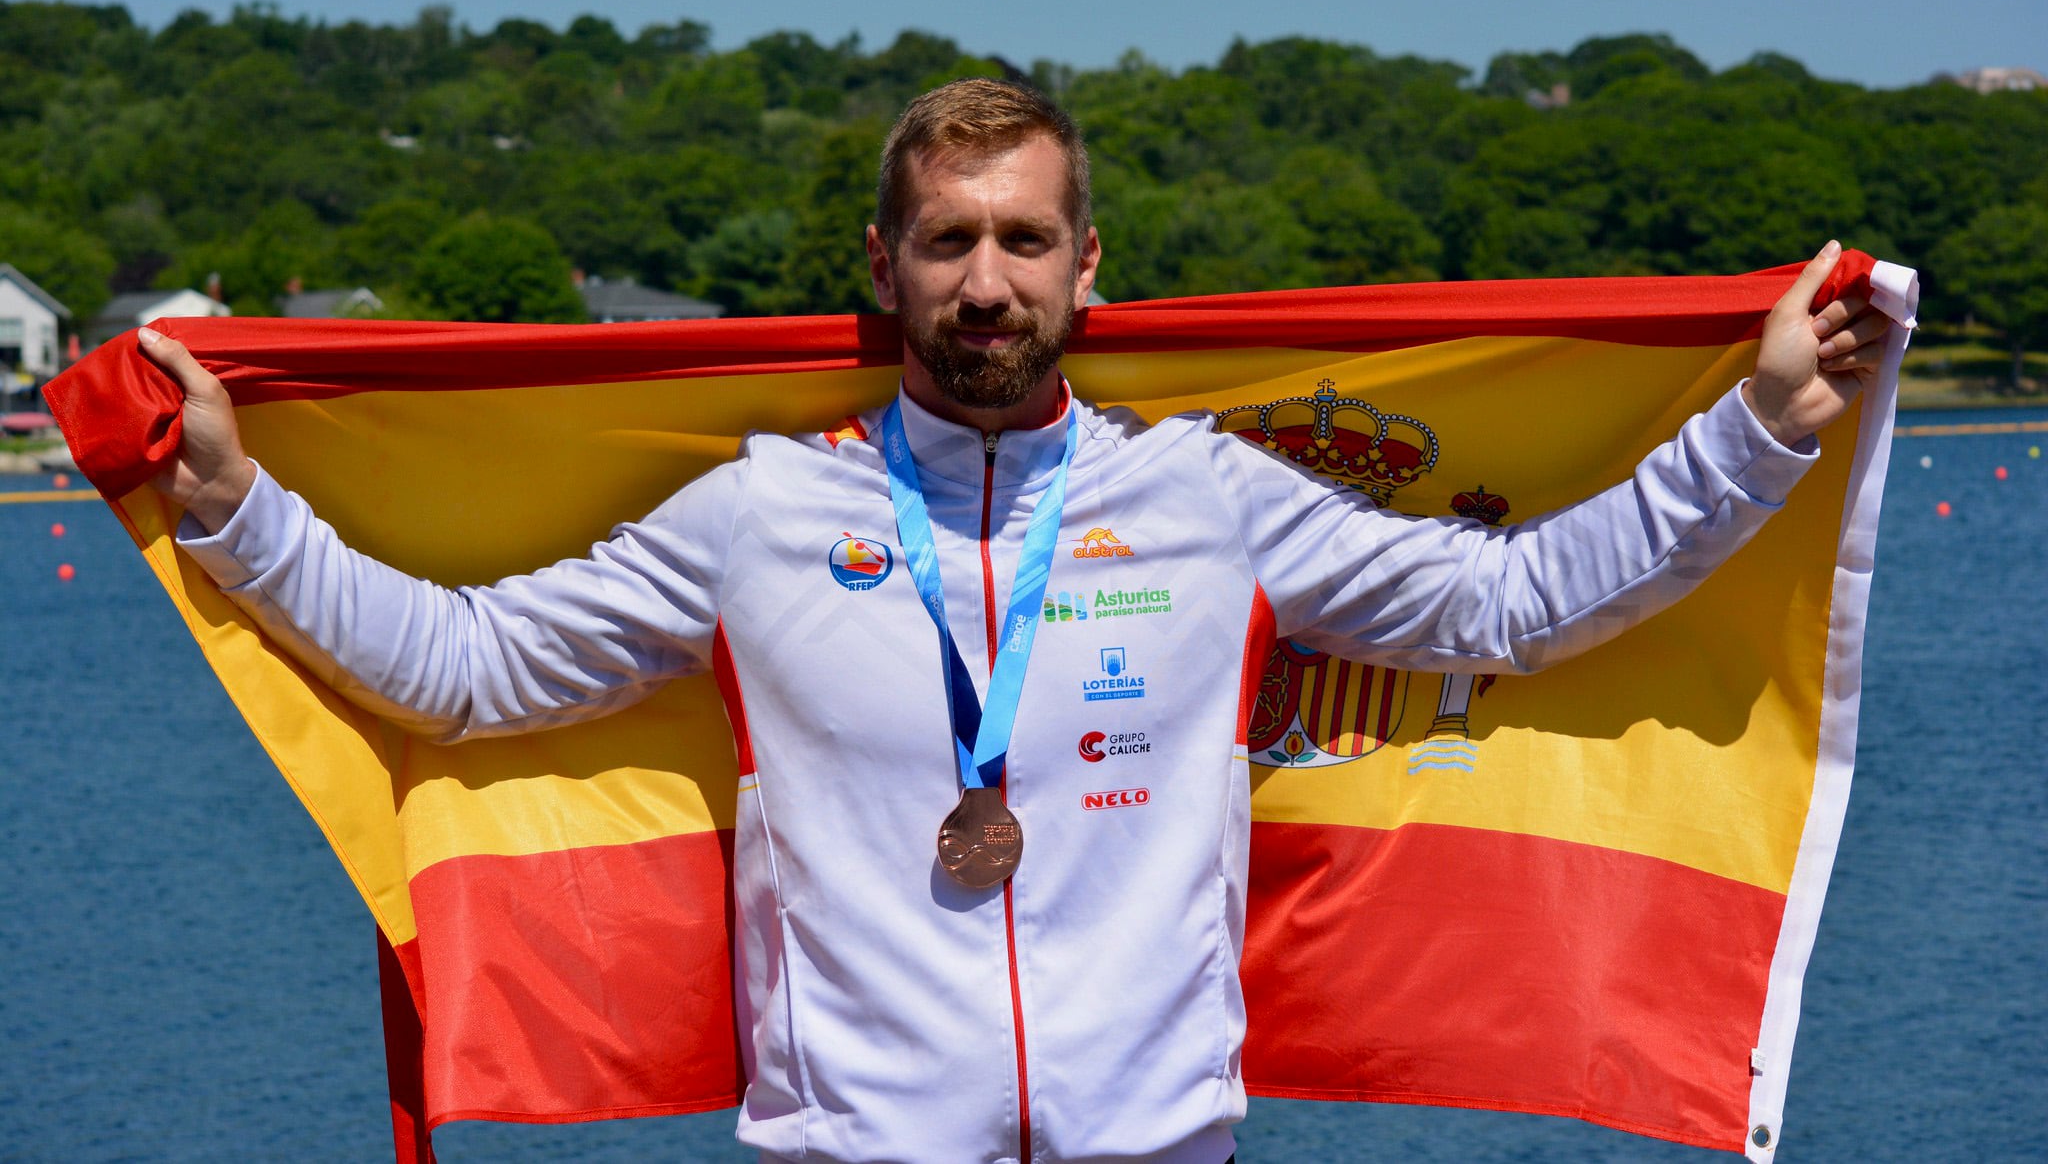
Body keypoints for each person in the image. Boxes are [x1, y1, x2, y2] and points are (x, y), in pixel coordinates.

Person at [136, 80, 1891, 1164]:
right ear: (884, 264)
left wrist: (1752, 436)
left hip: (1158, 1142)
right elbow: (467, 667)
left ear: (1086, 266)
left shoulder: (1212, 495)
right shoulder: (763, 514)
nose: (988, 281)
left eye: (1025, 240)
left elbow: (1508, 600)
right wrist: (234, 506)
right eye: (951, 240)